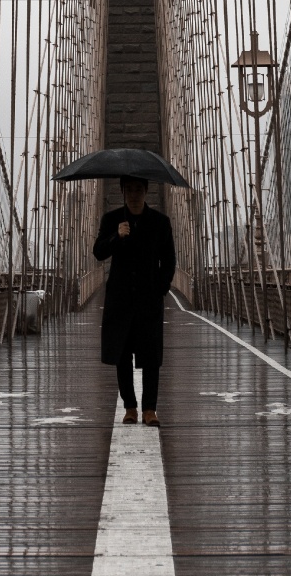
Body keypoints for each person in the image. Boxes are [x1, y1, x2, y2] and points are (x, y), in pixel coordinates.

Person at [93, 176, 176, 427]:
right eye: (129, 189)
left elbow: (169, 260)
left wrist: (160, 289)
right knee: (122, 355)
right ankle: (130, 407)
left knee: (151, 357)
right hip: (120, 301)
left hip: (148, 301)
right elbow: (99, 252)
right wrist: (116, 237)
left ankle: (150, 409)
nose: (134, 194)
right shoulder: (112, 220)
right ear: (122, 191)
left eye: (138, 189)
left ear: (146, 190)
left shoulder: (160, 223)